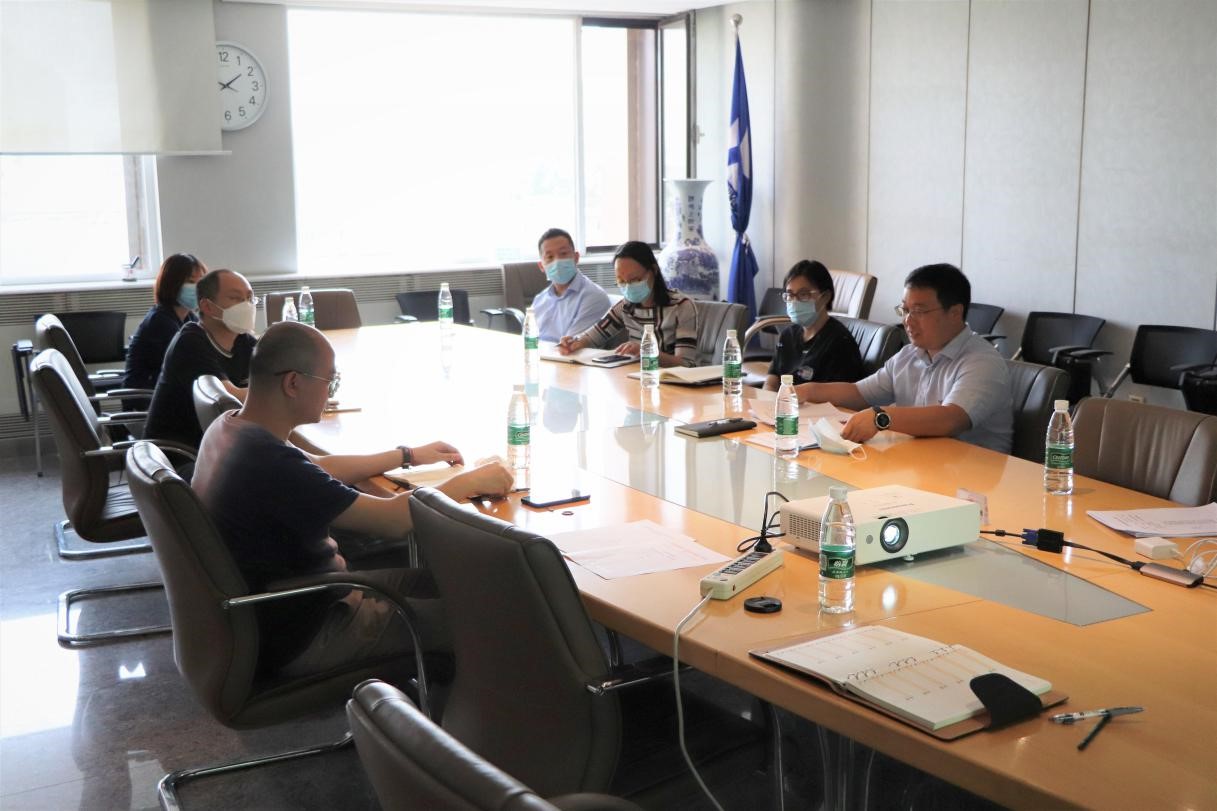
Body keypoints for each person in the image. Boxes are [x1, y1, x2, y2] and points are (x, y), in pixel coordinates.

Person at [192, 321, 514, 677]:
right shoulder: (269, 461)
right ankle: (457, 708)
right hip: (312, 627)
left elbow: (318, 466)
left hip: (294, 605)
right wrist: (472, 480)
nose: (331, 392)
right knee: (485, 619)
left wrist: (406, 455)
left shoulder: (232, 427)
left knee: (458, 584)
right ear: (293, 383)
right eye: (329, 381)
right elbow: (394, 521)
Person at [795, 263, 1013, 454]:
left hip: (974, 475)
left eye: (919, 311)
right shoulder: (909, 355)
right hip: (921, 464)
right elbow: (859, 393)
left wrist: (880, 418)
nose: (908, 320)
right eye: (905, 310)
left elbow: (951, 419)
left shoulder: (982, 361)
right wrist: (807, 391)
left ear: (955, 312)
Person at [142, 268, 258, 447]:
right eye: (235, 298)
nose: (246, 305)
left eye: (249, 298)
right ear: (207, 306)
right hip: (180, 454)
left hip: (219, 444)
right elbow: (229, 399)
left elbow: (275, 375)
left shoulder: (245, 341)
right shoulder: (190, 341)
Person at [557, 241, 698, 367]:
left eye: (635, 279)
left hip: (670, 380)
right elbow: (593, 336)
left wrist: (644, 352)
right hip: (637, 377)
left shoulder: (681, 307)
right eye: (621, 281)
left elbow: (685, 363)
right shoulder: (625, 307)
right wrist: (573, 343)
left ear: (654, 271)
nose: (628, 286)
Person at [764, 260, 864, 391]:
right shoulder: (787, 335)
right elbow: (772, 381)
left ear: (825, 297)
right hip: (785, 403)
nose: (794, 301)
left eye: (803, 294)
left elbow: (842, 396)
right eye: (790, 295)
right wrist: (767, 399)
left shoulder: (840, 342)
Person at [122, 253, 207, 391]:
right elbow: (190, 362)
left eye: (201, 282)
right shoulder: (160, 321)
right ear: (172, 284)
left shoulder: (189, 317)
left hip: (169, 390)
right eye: (191, 282)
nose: (198, 288)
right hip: (147, 396)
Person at [530, 227, 611, 342]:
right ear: (541, 266)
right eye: (550, 257)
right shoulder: (539, 300)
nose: (557, 261)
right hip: (539, 353)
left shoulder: (593, 297)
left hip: (565, 353)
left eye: (563, 254)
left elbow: (570, 346)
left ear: (576, 257)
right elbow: (528, 341)